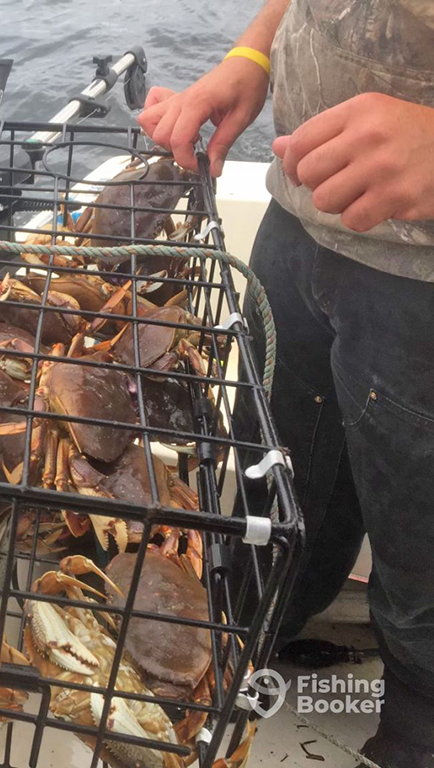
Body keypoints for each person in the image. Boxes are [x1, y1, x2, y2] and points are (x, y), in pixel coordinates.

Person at [138, 1, 434, 765]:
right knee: (273, 494)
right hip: (298, 222)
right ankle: (259, 636)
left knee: (421, 567)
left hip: (422, 281)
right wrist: (254, 57)